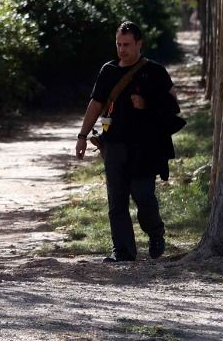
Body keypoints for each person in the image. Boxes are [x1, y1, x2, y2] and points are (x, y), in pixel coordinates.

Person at [74, 20, 179, 262]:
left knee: (143, 196)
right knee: (117, 201)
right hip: (114, 145)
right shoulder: (108, 71)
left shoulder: (155, 71)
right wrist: (82, 136)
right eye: (119, 44)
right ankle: (123, 251)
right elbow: (96, 104)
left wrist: (147, 103)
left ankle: (155, 233)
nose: (122, 49)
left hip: (144, 147)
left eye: (127, 45)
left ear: (139, 44)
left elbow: (173, 104)